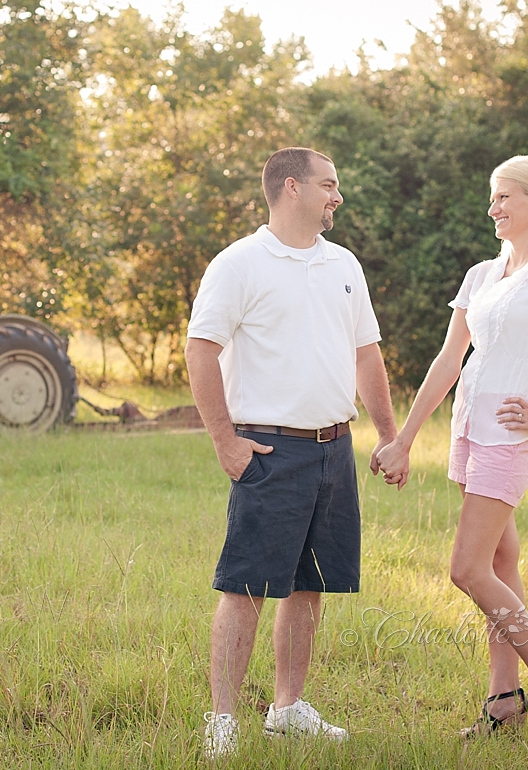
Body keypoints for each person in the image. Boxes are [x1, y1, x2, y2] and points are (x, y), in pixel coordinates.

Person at [374, 155, 528, 739]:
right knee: (500, 565)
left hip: (511, 435)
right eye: (493, 197)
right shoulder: (482, 274)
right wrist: (404, 438)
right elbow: (448, 360)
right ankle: (502, 700)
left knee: (466, 569)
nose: (493, 208)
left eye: (504, 197)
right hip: (468, 430)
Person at [186, 147, 398, 759]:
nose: (338, 196)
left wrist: (387, 435)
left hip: (335, 448)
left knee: (312, 585)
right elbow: (201, 351)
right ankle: (223, 718)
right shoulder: (239, 264)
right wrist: (225, 441)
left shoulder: (344, 265)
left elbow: (367, 354)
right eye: (329, 185)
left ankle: (287, 708)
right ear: (291, 187)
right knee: (247, 587)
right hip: (268, 450)